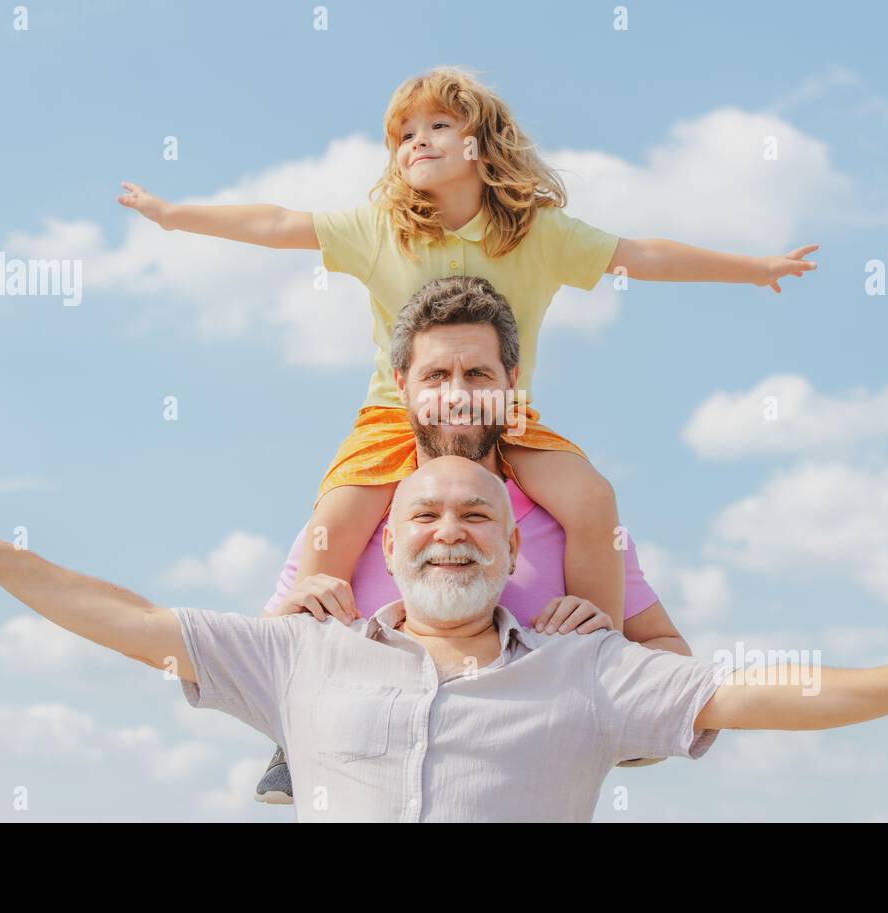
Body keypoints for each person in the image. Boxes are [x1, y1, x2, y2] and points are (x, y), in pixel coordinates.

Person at [0, 458, 888, 822]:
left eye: (475, 517)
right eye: (424, 516)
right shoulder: (298, 650)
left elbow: (759, 692)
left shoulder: (590, 668)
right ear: (385, 545)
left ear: (512, 547)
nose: (448, 532)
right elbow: (130, 620)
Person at [117, 65, 819, 641]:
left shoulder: (539, 233)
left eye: (438, 126)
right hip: (397, 416)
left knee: (593, 497)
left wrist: (753, 267)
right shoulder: (378, 228)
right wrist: (176, 215)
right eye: (404, 135)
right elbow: (275, 222)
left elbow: (640, 254)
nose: (416, 142)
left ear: (482, 144)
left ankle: (601, 653)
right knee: (331, 523)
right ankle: (287, 705)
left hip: (503, 414)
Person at [254, 275, 691, 802]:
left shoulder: (574, 525)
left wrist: (614, 680)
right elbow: (252, 671)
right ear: (401, 384)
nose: (457, 396)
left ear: (512, 380)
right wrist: (281, 631)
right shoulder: (344, 523)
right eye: (436, 375)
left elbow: (673, 662)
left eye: (478, 374)